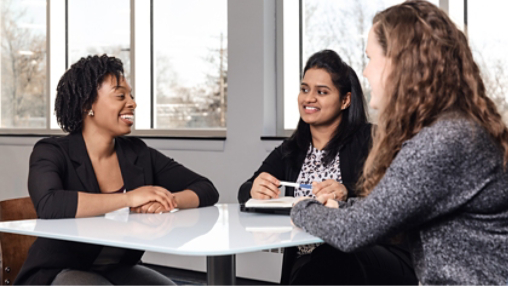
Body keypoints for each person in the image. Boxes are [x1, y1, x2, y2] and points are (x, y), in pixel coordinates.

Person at [291, 1, 508, 285]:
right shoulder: (456, 128)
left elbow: (353, 232)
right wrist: (341, 208)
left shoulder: (444, 139)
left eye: (370, 59)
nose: (366, 73)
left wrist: (301, 208)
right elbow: (389, 209)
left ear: (399, 63)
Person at [15, 55, 220, 285]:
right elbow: (50, 205)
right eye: (120, 96)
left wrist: (167, 200)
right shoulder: (51, 151)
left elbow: (206, 189)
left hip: (119, 268)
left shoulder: (138, 153)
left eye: (131, 96)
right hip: (58, 271)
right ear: (87, 105)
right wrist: (130, 198)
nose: (132, 103)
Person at [238, 50, 417, 285]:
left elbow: (398, 198)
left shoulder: (372, 140)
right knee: (319, 261)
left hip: (372, 253)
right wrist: (255, 189)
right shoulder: (290, 150)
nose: (309, 98)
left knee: (332, 254)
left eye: (321, 92)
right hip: (308, 260)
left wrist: (347, 191)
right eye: (304, 89)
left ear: (345, 100)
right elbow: (244, 191)